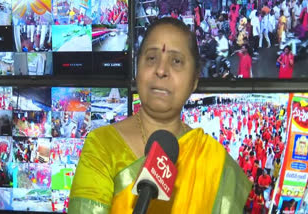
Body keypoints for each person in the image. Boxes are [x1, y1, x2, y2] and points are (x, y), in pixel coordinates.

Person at [68, 17, 251, 214]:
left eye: (176, 61)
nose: (161, 70)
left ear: (194, 80)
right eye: (152, 58)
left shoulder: (214, 162)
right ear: (138, 69)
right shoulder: (101, 146)